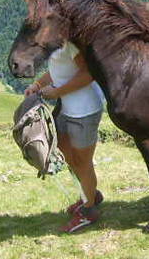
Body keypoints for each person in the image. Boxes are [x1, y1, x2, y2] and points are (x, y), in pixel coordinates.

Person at [24, 41, 105, 233]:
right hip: (65, 109)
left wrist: (57, 92)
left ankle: (89, 211)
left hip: (84, 112)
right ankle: (91, 195)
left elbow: (88, 73)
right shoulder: (55, 40)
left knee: (82, 162)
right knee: (68, 156)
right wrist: (37, 85)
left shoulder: (72, 43)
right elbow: (59, 70)